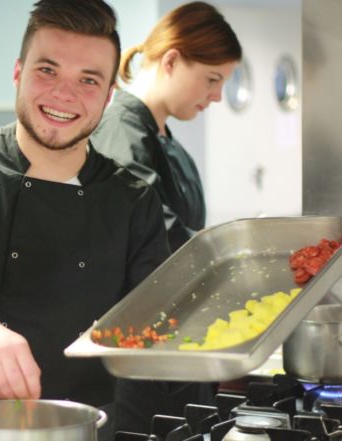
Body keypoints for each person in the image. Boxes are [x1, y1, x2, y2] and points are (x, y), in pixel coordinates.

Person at [0, 0, 170, 440]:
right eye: (48, 70)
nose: (64, 94)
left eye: (88, 80)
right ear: (18, 72)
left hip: (82, 427)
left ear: (109, 95)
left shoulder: (133, 201)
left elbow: (147, 335)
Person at [90, 1, 242, 434]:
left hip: (170, 352)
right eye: (212, 79)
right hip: (138, 362)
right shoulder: (121, 131)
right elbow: (159, 234)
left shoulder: (165, 139)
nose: (216, 95)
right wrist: (235, 258)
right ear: (172, 60)